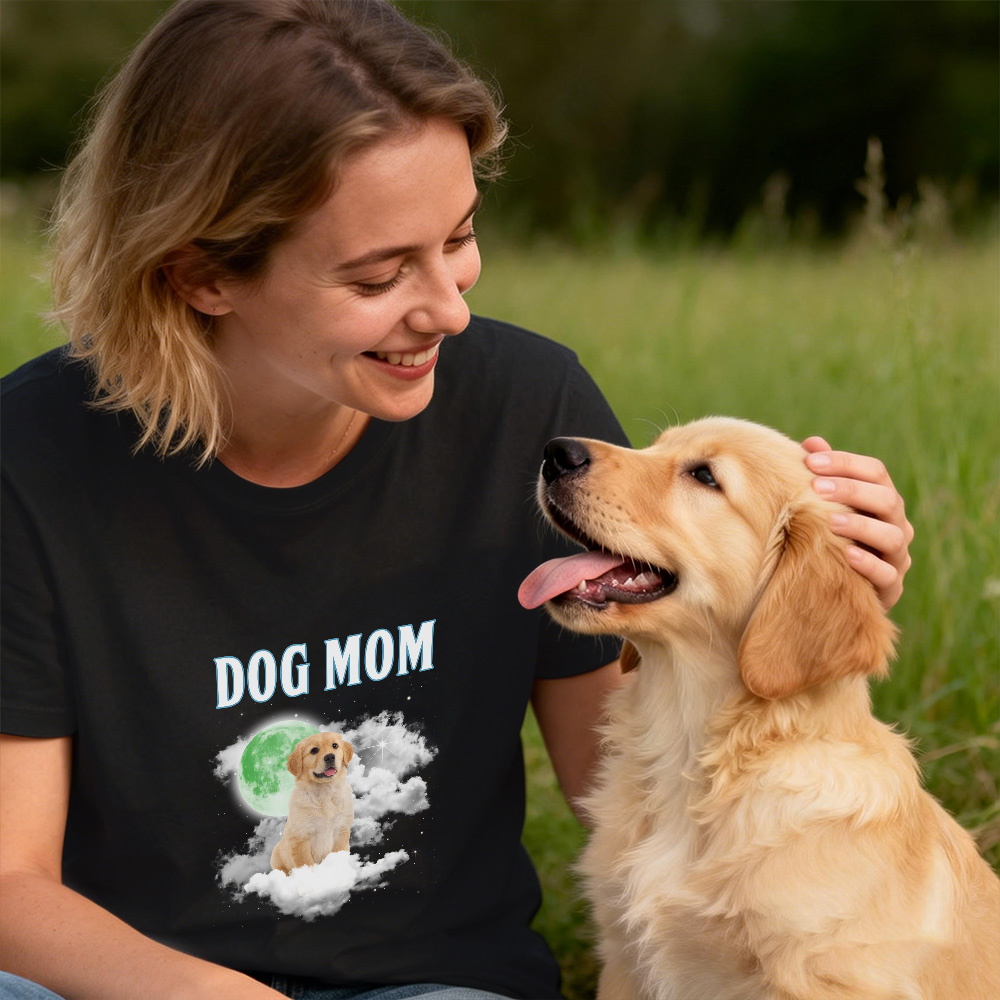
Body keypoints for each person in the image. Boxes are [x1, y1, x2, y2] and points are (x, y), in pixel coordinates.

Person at [0, 2, 914, 999]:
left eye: (461, 237)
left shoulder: (530, 414)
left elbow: (645, 798)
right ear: (201, 274)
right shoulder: (30, 459)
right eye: (380, 275)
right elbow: (10, 884)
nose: (450, 308)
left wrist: (804, 596)